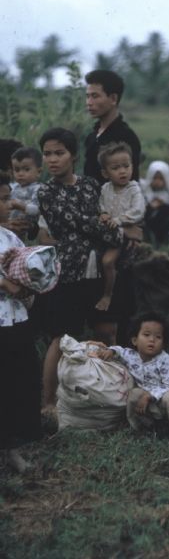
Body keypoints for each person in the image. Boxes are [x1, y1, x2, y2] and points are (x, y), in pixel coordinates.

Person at [37, 127, 139, 414]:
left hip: (99, 273)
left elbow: (103, 218)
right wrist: (116, 233)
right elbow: (80, 224)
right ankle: (48, 402)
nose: (53, 160)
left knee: (107, 331)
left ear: (74, 156)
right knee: (61, 337)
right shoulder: (45, 191)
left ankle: (114, 396)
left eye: (59, 153)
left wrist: (111, 227)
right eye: (47, 154)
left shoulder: (92, 186)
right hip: (67, 273)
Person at [0, 172, 41, 472]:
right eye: (2, 199)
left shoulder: (10, 236)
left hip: (17, 318)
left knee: (18, 379)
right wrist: (4, 285)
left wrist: (27, 286)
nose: (6, 205)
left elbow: (27, 268)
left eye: (6, 198)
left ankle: (12, 447)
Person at [94, 312, 169, 436]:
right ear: (135, 340)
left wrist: (148, 396)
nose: (152, 340)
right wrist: (112, 351)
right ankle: (142, 429)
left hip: (165, 399)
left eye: (158, 337)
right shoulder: (131, 355)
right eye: (146, 335)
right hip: (147, 403)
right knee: (134, 394)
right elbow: (121, 351)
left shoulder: (166, 361)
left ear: (164, 344)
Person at [96, 141, 145, 311]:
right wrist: (103, 213)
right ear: (105, 172)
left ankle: (107, 295)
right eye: (116, 168)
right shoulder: (105, 188)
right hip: (107, 233)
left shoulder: (133, 188)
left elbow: (138, 210)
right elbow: (101, 205)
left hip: (122, 232)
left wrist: (118, 219)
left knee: (108, 261)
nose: (123, 171)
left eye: (126, 165)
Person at [84, 69, 141, 184]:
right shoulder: (92, 136)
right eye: (88, 96)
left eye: (95, 96)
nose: (89, 102)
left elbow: (131, 184)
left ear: (113, 99)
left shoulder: (126, 137)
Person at [141, 160, 169, 245]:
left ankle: (162, 239)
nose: (157, 181)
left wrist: (162, 204)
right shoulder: (146, 191)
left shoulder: (168, 194)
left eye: (161, 178)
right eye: (155, 178)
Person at [10, 146, 42, 240]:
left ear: (39, 172)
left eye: (26, 169)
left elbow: (36, 210)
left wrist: (21, 206)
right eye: (17, 170)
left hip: (28, 228)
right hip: (12, 226)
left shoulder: (37, 188)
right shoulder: (13, 187)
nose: (20, 174)